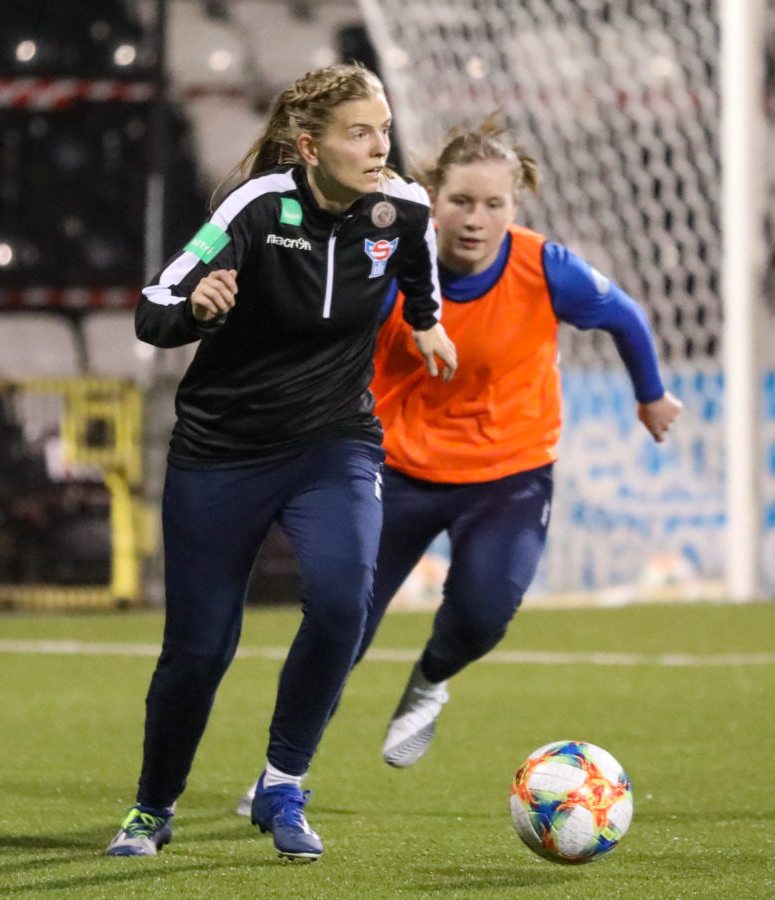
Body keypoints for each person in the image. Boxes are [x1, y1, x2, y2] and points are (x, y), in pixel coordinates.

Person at [233, 117, 679, 815]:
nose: (476, 219)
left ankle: (431, 679)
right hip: (396, 469)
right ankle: (279, 775)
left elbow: (624, 317)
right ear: (431, 200)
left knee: (482, 612)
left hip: (510, 473)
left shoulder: (545, 268)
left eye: (493, 205)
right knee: (338, 625)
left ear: (515, 208)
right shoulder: (385, 265)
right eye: (462, 202)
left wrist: (650, 395)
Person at [105, 63, 457, 863]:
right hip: (221, 451)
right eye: (359, 133)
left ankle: (283, 783)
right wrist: (195, 309)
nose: (381, 147)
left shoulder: (403, 208)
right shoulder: (255, 208)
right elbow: (153, 307)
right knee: (198, 652)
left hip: (334, 441)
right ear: (309, 145)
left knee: (343, 600)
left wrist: (430, 326)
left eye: (385, 129)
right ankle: (152, 808)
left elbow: (419, 277)